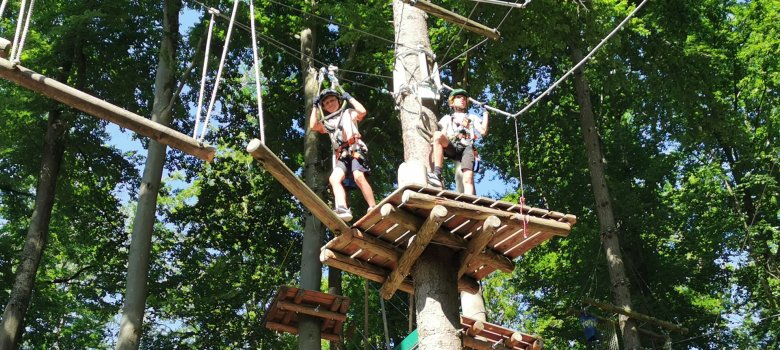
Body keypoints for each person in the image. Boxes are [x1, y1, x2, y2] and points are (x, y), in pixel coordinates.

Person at [309, 89, 376, 222]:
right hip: (343, 155)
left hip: (355, 149)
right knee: (334, 179)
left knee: (358, 176)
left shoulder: (348, 113)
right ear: (324, 107)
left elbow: (362, 112)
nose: (330, 104)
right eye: (326, 103)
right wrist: (315, 107)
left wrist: (350, 98)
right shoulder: (327, 123)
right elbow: (313, 126)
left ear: (339, 101)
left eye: (332, 100)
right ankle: (342, 208)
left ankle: (373, 206)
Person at [427, 88, 489, 195]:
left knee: (468, 179)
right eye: (459, 97)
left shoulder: (472, 117)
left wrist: (485, 113)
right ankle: (437, 174)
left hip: (466, 148)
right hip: (453, 147)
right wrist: (436, 142)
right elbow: (442, 134)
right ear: (452, 103)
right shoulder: (447, 118)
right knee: (437, 135)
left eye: (464, 98)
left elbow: (483, 131)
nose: (462, 99)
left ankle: (469, 200)